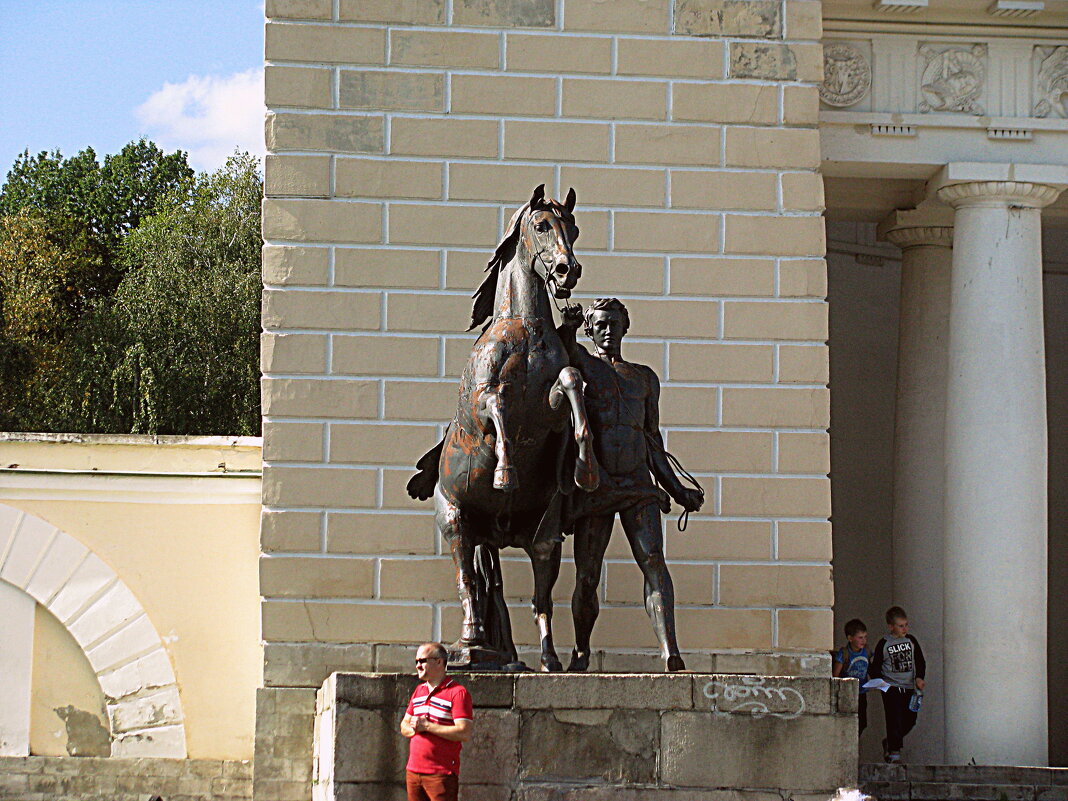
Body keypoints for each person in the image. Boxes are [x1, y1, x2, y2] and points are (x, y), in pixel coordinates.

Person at [557, 298, 705, 672]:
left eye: (615, 323)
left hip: (639, 483)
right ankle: (581, 649)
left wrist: (677, 489)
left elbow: (653, 440)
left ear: (625, 327)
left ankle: (670, 650)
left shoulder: (644, 377)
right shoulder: (582, 366)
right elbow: (565, 351)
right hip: (597, 485)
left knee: (654, 562)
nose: (608, 330)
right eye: (601, 324)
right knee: (588, 574)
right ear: (591, 330)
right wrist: (570, 327)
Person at [400, 642, 474, 801]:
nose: (418, 666)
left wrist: (427, 726)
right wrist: (416, 728)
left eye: (422, 661)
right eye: (416, 662)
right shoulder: (419, 691)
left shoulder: (457, 693)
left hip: (441, 774)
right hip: (413, 772)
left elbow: (464, 732)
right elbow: (404, 726)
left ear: (439, 662)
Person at [870, 606, 926, 763]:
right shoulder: (884, 644)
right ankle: (894, 752)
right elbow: (875, 666)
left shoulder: (911, 641)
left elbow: (920, 661)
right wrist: (881, 684)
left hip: (909, 687)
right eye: (901, 626)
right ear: (891, 627)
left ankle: (890, 741)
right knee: (894, 718)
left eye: (906, 625)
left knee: (910, 719)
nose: (905, 629)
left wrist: (919, 678)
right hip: (891, 687)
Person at [832, 618, 871, 733]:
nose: (863, 640)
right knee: (848, 722)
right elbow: (836, 675)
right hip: (848, 692)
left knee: (862, 722)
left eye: (865, 637)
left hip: (862, 692)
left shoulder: (867, 651)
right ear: (850, 638)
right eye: (860, 637)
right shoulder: (844, 654)